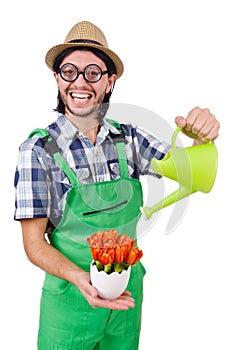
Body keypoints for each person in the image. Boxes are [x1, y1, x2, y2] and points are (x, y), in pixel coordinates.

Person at [14, 20, 220, 350]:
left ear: (109, 82)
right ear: (57, 78)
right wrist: (81, 278)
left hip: (126, 298)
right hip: (69, 302)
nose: (80, 82)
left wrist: (202, 140)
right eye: (69, 71)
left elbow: (193, 174)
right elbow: (33, 244)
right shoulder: (38, 150)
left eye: (93, 73)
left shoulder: (131, 140)